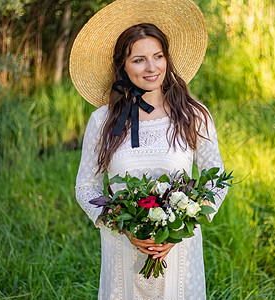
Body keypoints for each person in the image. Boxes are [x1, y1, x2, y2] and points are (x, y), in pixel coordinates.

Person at [69, 0, 227, 299]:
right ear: (123, 66)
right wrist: (122, 224)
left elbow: (214, 178)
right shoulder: (103, 120)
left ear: (168, 58)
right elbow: (86, 185)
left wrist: (185, 224)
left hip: (179, 250)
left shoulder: (194, 114)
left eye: (158, 56)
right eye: (139, 59)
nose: (152, 67)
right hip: (122, 249)